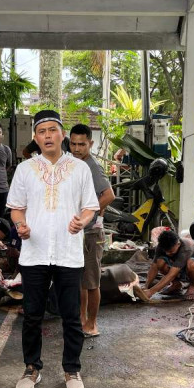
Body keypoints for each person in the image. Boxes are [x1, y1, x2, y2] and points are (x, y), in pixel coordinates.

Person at [7, 109, 99, 388]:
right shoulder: (25, 169)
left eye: (52, 130)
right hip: (34, 253)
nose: (47, 135)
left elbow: (90, 207)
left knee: (71, 315)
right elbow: (16, 208)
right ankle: (31, 368)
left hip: (68, 253)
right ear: (35, 137)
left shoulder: (80, 169)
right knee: (32, 314)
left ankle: (72, 369)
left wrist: (82, 221)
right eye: (42, 131)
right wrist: (20, 225)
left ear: (63, 135)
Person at [69, 124, 115, 338]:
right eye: (73, 144)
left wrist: (88, 214)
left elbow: (109, 195)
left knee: (91, 281)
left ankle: (92, 324)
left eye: (82, 144)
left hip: (92, 233)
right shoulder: (75, 164)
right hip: (80, 232)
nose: (77, 148)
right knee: (81, 280)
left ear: (91, 144)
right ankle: (81, 320)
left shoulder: (91, 165)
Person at [139, 230, 194, 301]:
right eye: (166, 251)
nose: (167, 253)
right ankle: (176, 284)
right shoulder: (161, 246)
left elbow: (172, 274)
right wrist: (146, 286)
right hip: (181, 269)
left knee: (191, 263)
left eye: (170, 251)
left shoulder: (186, 247)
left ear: (178, 244)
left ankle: (192, 286)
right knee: (160, 261)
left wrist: (151, 292)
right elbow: (154, 267)